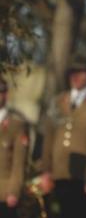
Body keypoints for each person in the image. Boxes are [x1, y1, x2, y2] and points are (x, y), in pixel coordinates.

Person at [40, 58, 86, 218]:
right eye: (72, 73)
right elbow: (49, 137)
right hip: (60, 173)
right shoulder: (58, 101)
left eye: (81, 72)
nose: (75, 77)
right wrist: (45, 171)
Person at [0, 80, 29, 218]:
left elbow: (19, 163)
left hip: (4, 193)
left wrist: (14, 191)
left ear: (5, 94)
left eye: (1, 92)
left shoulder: (16, 125)